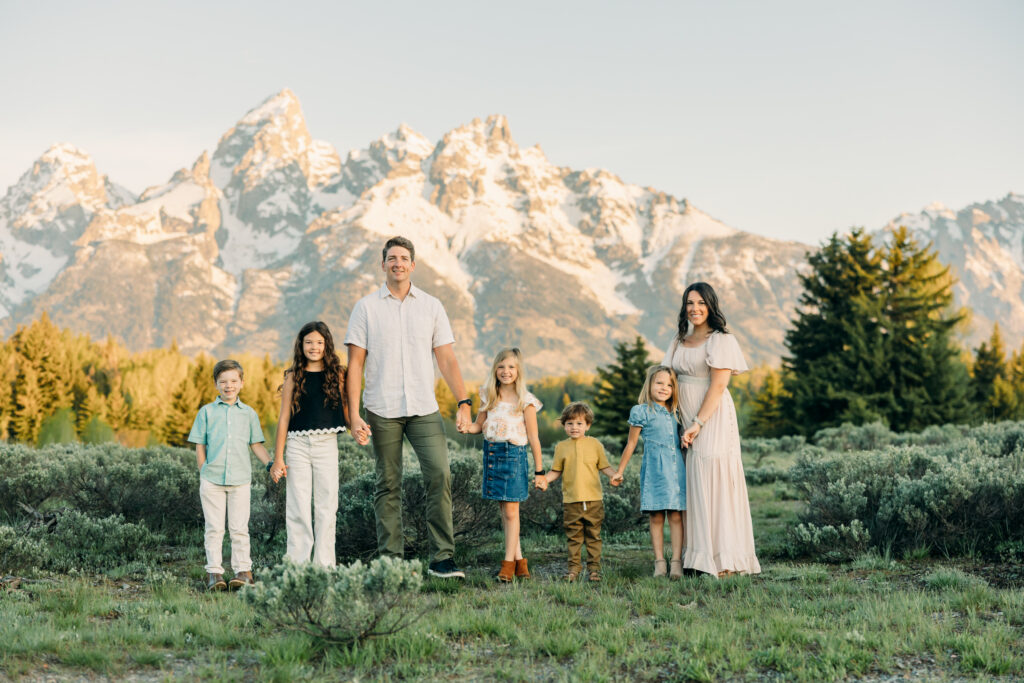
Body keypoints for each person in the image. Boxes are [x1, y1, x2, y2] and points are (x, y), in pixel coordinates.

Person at [345, 236, 473, 579]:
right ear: (383, 264)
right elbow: (355, 364)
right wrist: (354, 413)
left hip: (423, 408)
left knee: (440, 475)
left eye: (403, 258)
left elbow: (446, 358)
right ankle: (392, 561)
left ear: (413, 265)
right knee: (387, 483)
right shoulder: (366, 307)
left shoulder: (431, 306)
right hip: (381, 408)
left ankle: (442, 559)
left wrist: (463, 402)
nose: (397, 263)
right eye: (391, 258)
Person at [666, 282, 761, 577]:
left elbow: (719, 386)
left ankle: (724, 560)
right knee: (693, 482)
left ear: (711, 306)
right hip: (684, 419)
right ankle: (699, 557)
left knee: (713, 478)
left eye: (700, 303)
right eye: (689, 303)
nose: (694, 309)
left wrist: (698, 422)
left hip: (712, 417)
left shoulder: (720, 340)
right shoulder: (679, 339)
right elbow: (666, 378)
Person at [271, 322, 364, 567]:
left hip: (326, 444)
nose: (314, 347)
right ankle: (298, 565)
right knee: (298, 505)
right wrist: (278, 458)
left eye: (319, 342)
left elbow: (346, 410)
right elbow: (284, 418)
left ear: (327, 345)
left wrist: (356, 426)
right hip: (297, 445)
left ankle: (324, 566)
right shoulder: (293, 376)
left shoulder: (338, 374)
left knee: (327, 504)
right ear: (301, 345)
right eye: (309, 342)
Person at [188, 359, 276, 591]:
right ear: (216, 384)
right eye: (223, 382)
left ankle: (243, 572)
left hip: (240, 481)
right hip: (212, 480)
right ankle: (214, 574)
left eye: (233, 381)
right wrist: (203, 471)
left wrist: (270, 464)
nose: (229, 386)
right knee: (214, 528)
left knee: (239, 528)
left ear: (242, 383)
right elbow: (200, 445)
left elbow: (256, 444)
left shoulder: (249, 414)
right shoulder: (206, 412)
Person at [461, 348, 545, 582]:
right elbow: (480, 425)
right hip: (491, 455)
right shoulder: (489, 395)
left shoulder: (525, 401)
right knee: (505, 511)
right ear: (494, 369)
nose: (505, 371)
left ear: (518, 371)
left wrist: (540, 471)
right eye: (501, 366)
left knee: (511, 511)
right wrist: (468, 427)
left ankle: (507, 565)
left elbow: (534, 438)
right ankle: (520, 562)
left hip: (513, 456)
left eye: (511, 367)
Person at [613, 365, 687, 579]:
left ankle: (676, 562)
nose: (664, 388)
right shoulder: (641, 411)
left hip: (676, 470)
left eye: (669, 384)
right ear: (649, 385)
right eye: (659, 383)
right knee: (656, 516)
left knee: (675, 515)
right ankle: (659, 562)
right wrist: (620, 471)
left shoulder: (677, 411)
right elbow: (631, 443)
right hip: (654, 470)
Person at [539, 401, 620, 582]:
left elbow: (604, 467)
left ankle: (594, 570)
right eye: (569, 423)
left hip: (593, 500)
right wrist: (544, 480)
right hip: (571, 500)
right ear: (564, 425)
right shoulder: (561, 447)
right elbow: (556, 471)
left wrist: (614, 476)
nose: (574, 427)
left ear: (588, 425)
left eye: (579, 423)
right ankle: (574, 569)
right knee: (574, 537)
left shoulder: (595, 444)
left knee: (593, 536)